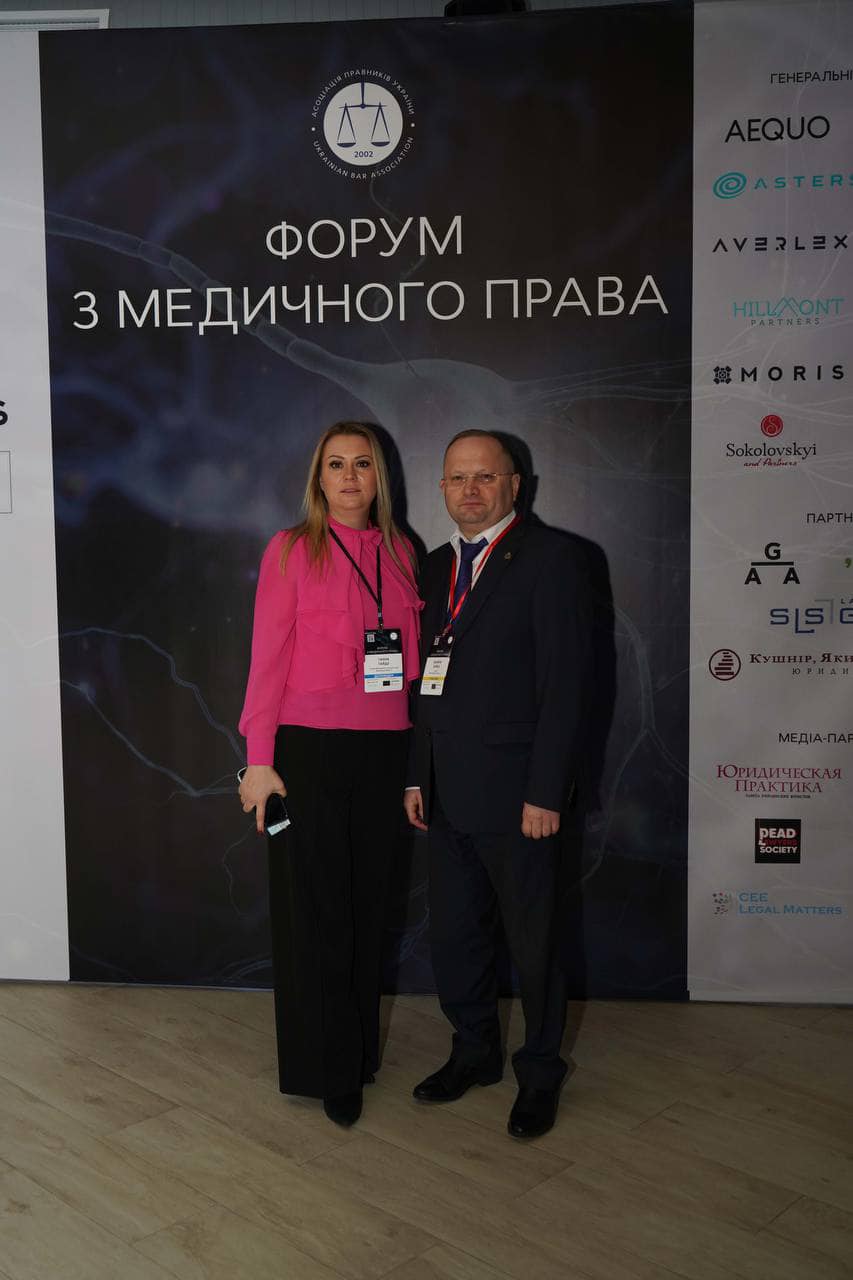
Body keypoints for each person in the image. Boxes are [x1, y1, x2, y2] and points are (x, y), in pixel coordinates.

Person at [404, 429, 592, 1139]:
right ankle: (474, 1050)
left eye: (485, 476)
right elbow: (423, 680)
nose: (470, 490)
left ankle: (539, 1072)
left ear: (515, 484)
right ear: (442, 488)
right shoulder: (432, 567)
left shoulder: (552, 559)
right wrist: (414, 776)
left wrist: (545, 790)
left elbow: (567, 687)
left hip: (519, 799)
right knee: (456, 937)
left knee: (534, 944)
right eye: (457, 478)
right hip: (443, 794)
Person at [239, 422, 421, 1128]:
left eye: (362, 464)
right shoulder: (290, 549)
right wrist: (259, 759)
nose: (349, 476)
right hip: (307, 751)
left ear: (380, 478)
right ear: (319, 478)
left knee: (368, 907)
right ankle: (327, 1069)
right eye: (336, 464)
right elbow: (266, 658)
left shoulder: (403, 552)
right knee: (316, 912)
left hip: (384, 751)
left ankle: (358, 1052)